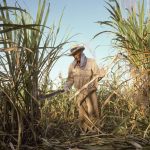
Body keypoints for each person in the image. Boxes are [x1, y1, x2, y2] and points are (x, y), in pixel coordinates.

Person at [64, 45, 105, 133]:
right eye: (73, 54)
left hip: (91, 92)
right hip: (80, 92)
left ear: (81, 52)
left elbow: (96, 76)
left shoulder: (91, 62)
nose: (75, 56)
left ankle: (95, 132)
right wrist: (66, 87)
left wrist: (101, 74)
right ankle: (85, 132)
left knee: (93, 112)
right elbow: (70, 79)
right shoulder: (72, 66)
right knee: (82, 114)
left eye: (77, 53)